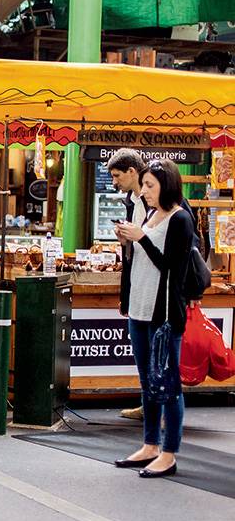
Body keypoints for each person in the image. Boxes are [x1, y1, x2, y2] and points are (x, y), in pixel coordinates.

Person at [114, 159, 194, 479]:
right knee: (148, 381)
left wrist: (141, 238)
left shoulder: (180, 218)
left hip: (164, 315)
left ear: (167, 185)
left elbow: (172, 267)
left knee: (168, 384)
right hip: (139, 309)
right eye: (144, 185)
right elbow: (140, 263)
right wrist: (127, 241)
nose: (144, 191)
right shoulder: (149, 214)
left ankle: (168, 453)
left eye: (150, 185)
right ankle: (149, 445)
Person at [110, 149, 149, 422]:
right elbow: (137, 249)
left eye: (117, 176)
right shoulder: (131, 201)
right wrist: (126, 241)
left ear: (132, 171)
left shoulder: (160, 202)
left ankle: (157, 409)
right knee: (141, 351)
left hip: (156, 288)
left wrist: (140, 237)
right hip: (137, 282)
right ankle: (148, 403)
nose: (114, 182)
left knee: (156, 354)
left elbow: (173, 246)